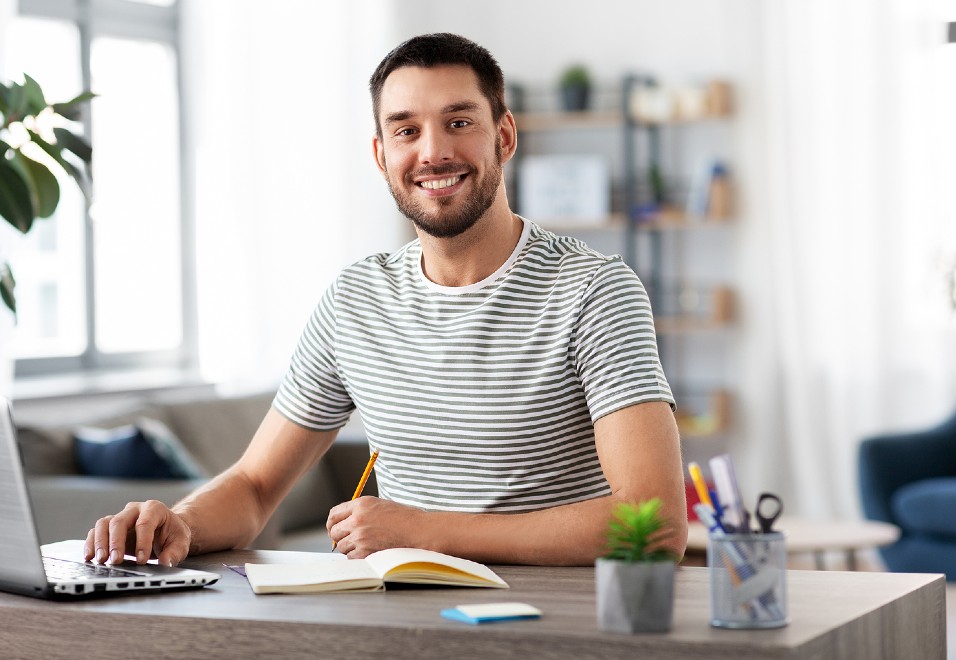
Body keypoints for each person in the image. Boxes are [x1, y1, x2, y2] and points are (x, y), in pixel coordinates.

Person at [86, 33, 686, 568]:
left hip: (556, 624)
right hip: (401, 622)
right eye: (406, 130)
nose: (432, 152)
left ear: (503, 137)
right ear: (381, 156)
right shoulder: (355, 299)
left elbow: (653, 524)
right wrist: (181, 523)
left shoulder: (594, 290)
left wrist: (429, 532)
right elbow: (254, 485)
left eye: (458, 122)